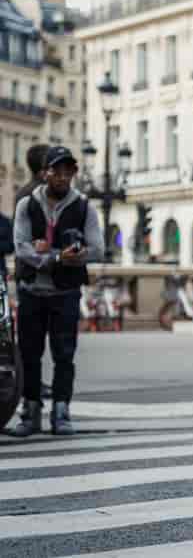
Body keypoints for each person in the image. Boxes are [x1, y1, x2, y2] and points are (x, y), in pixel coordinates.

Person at [11, 146, 103, 437]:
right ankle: (31, 411)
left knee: (65, 354)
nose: (63, 177)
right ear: (44, 173)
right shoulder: (27, 204)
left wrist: (74, 253)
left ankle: (62, 411)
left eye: (68, 171)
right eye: (56, 171)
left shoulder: (84, 206)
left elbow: (98, 249)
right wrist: (57, 258)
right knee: (29, 353)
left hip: (66, 292)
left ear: (74, 173)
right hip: (31, 291)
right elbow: (21, 248)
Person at [14, 144, 52, 400]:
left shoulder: (26, 193)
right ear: (42, 170)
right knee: (33, 338)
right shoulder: (32, 197)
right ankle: (31, 386)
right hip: (33, 273)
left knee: (33, 337)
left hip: (29, 272)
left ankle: (32, 383)